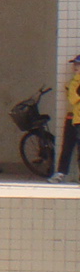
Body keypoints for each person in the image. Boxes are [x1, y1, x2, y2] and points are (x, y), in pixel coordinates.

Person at [57, 52, 80, 182]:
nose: (75, 67)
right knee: (67, 147)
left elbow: (73, 99)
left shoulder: (74, 82)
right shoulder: (73, 81)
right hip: (71, 118)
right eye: (75, 64)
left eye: (78, 65)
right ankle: (61, 173)